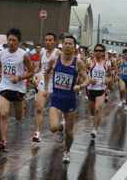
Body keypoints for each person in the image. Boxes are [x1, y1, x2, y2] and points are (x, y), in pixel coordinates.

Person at [43, 35, 89, 163]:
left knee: (69, 132)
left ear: (74, 47)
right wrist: (46, 88)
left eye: (70, 44)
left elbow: (87, 80)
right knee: (53, 127)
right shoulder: (54, 60)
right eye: (65, 43)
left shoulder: (78, 62)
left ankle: (67, 151)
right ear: (62, 46)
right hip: (56, 99)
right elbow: (46, 72)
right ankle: (59, 129)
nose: (67, 46)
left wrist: (80, 86)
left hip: (70, 100)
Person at [0, 28, 34, 152]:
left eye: (14, 41)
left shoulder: (24, 55)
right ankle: (4, 142)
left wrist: (20, 77)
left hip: (18, 90)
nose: (11, 43)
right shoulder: (1, 53)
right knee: (3, 115)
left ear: (18, 42)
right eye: (9, 40)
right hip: (5, 88)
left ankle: (23, 108)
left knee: (18, 117)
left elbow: (31, 72)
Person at [32, 33, 62, 142]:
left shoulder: (58, 53)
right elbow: (40, 67)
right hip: (43, 84)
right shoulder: (42, 54)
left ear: (55, 42)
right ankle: (37, 133)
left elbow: (64, 65)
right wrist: (31, 73)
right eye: (46, 40)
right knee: (39, 108)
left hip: (56, 86)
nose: (48, 42)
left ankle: (60, 129)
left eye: (50, 40)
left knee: (55, 114)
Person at [85, 44, 111, 139]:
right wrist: (89, 80)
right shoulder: (89, 63)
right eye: (96, 50)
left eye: (100, 51)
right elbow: (83, 72)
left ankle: (95, 130)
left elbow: (110, 75)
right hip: (91, 90)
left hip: (101, 90)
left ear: (103, 53)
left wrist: (107, 79)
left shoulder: (106, 64)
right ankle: (95, 119)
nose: (98, 52)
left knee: (97, 109)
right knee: (92, 112)